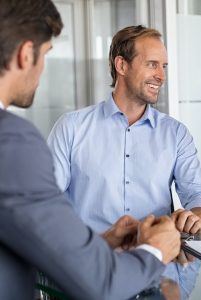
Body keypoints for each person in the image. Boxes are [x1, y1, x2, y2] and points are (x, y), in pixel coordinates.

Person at [0, 1, 181, 299]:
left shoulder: (174, 132)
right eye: (45, 55)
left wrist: (100, 242)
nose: (43, 68)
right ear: (25, 54)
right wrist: (154, 249)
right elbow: (102, 284)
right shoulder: (13, 140)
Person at [47, 25, 201, 235]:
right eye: (152, 64)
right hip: (90, 256)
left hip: (155, 257)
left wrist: (198, 215)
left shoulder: (175, 133)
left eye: (163, 66)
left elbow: (199, 194)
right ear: (121, 65)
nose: (161, 76)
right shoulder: (71, 127)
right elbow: (47, 200)